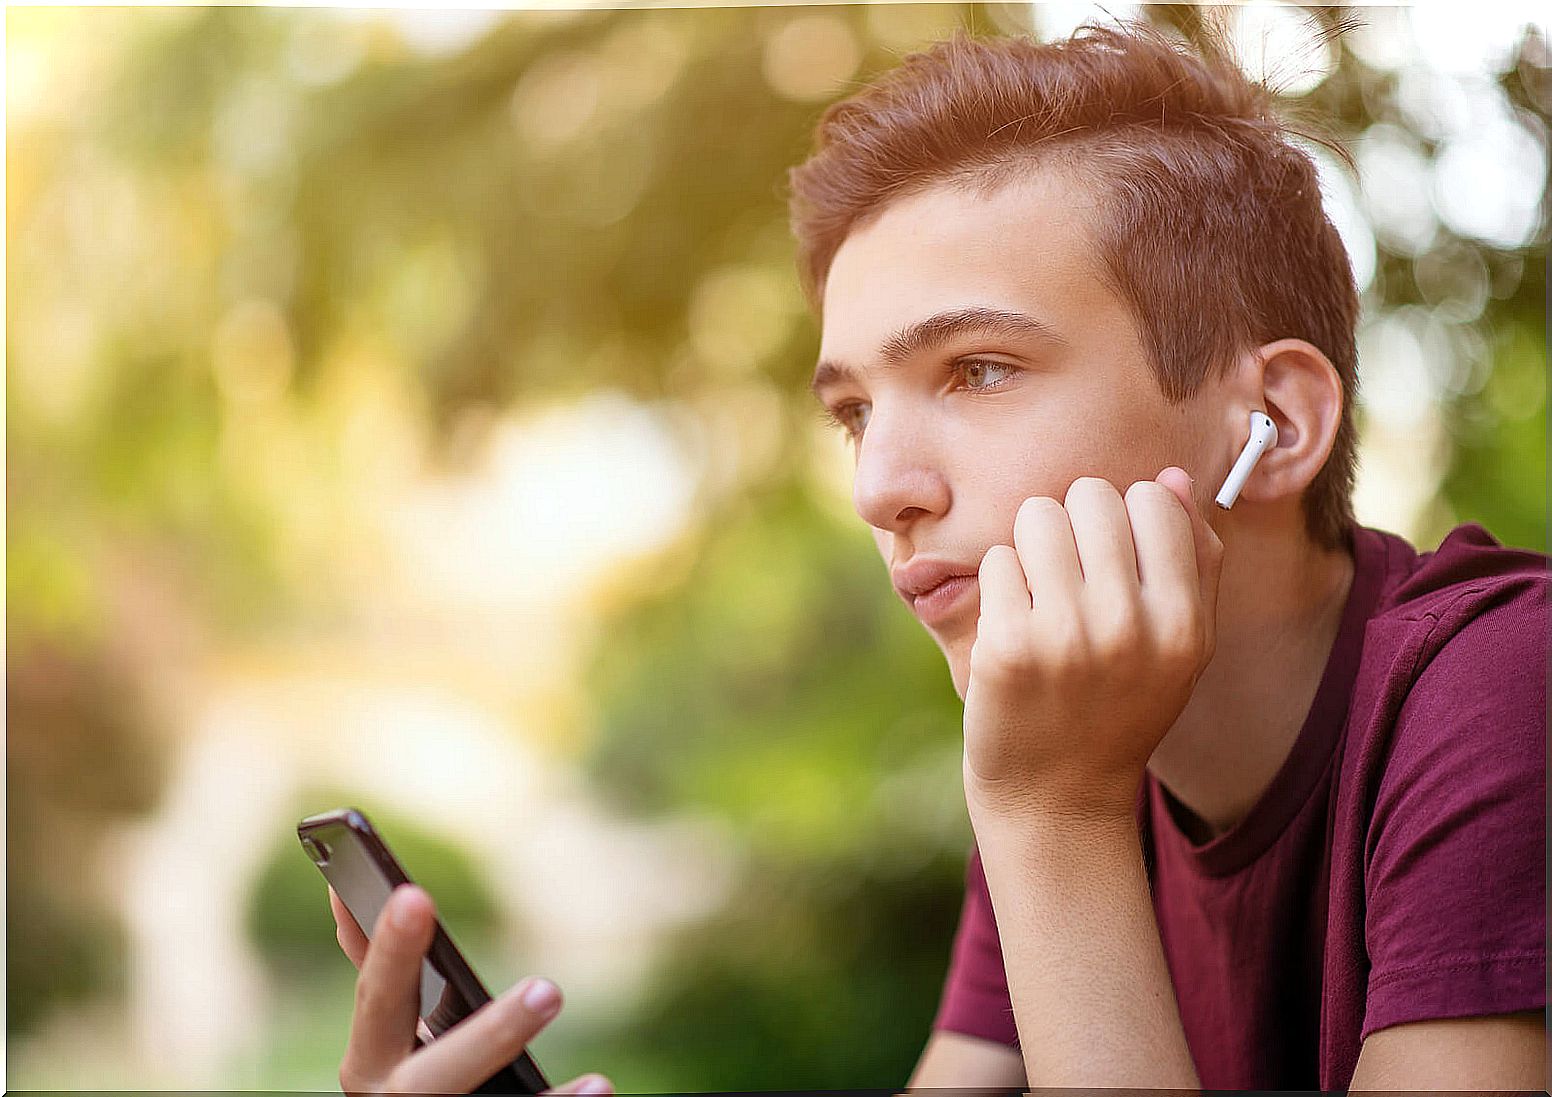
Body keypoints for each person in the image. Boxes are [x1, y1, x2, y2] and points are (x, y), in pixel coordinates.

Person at [325, 20, 1546, 1093]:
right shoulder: (1077, 755)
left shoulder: (1498, 692)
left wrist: (1052, 816)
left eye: (977, 370)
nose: (879, 488)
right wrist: (1056, 808)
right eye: (856, 410)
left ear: (1268, 424)